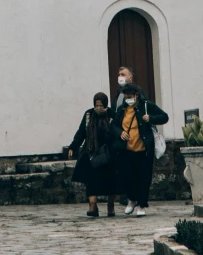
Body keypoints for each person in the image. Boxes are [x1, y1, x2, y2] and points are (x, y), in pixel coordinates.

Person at [109, 66, 168, 217]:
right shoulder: (122, 110)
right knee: (127, 177)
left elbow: (164, 117)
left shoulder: (146, 106)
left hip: (143, 149)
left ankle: (142, 205)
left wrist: (151, 119)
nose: (128, 98)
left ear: (136, 95)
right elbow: (113, 126)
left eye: (130, 96)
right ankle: (131, 200)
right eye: (126, 96)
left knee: (143, 178)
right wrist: (120, 132)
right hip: (127, 149)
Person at [65, 90, 116, 219]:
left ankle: (111, 206)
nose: (98, 108)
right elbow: (81, 132)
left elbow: (117, 131)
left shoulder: (111, 115)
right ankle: (92, 205)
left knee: (110, 180)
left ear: (105, 105)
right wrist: (73, 146)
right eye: (96, 105)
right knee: (91, 179)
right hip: (91, 151)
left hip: (107, 153)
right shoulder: (89, 114)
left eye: (101, 105)